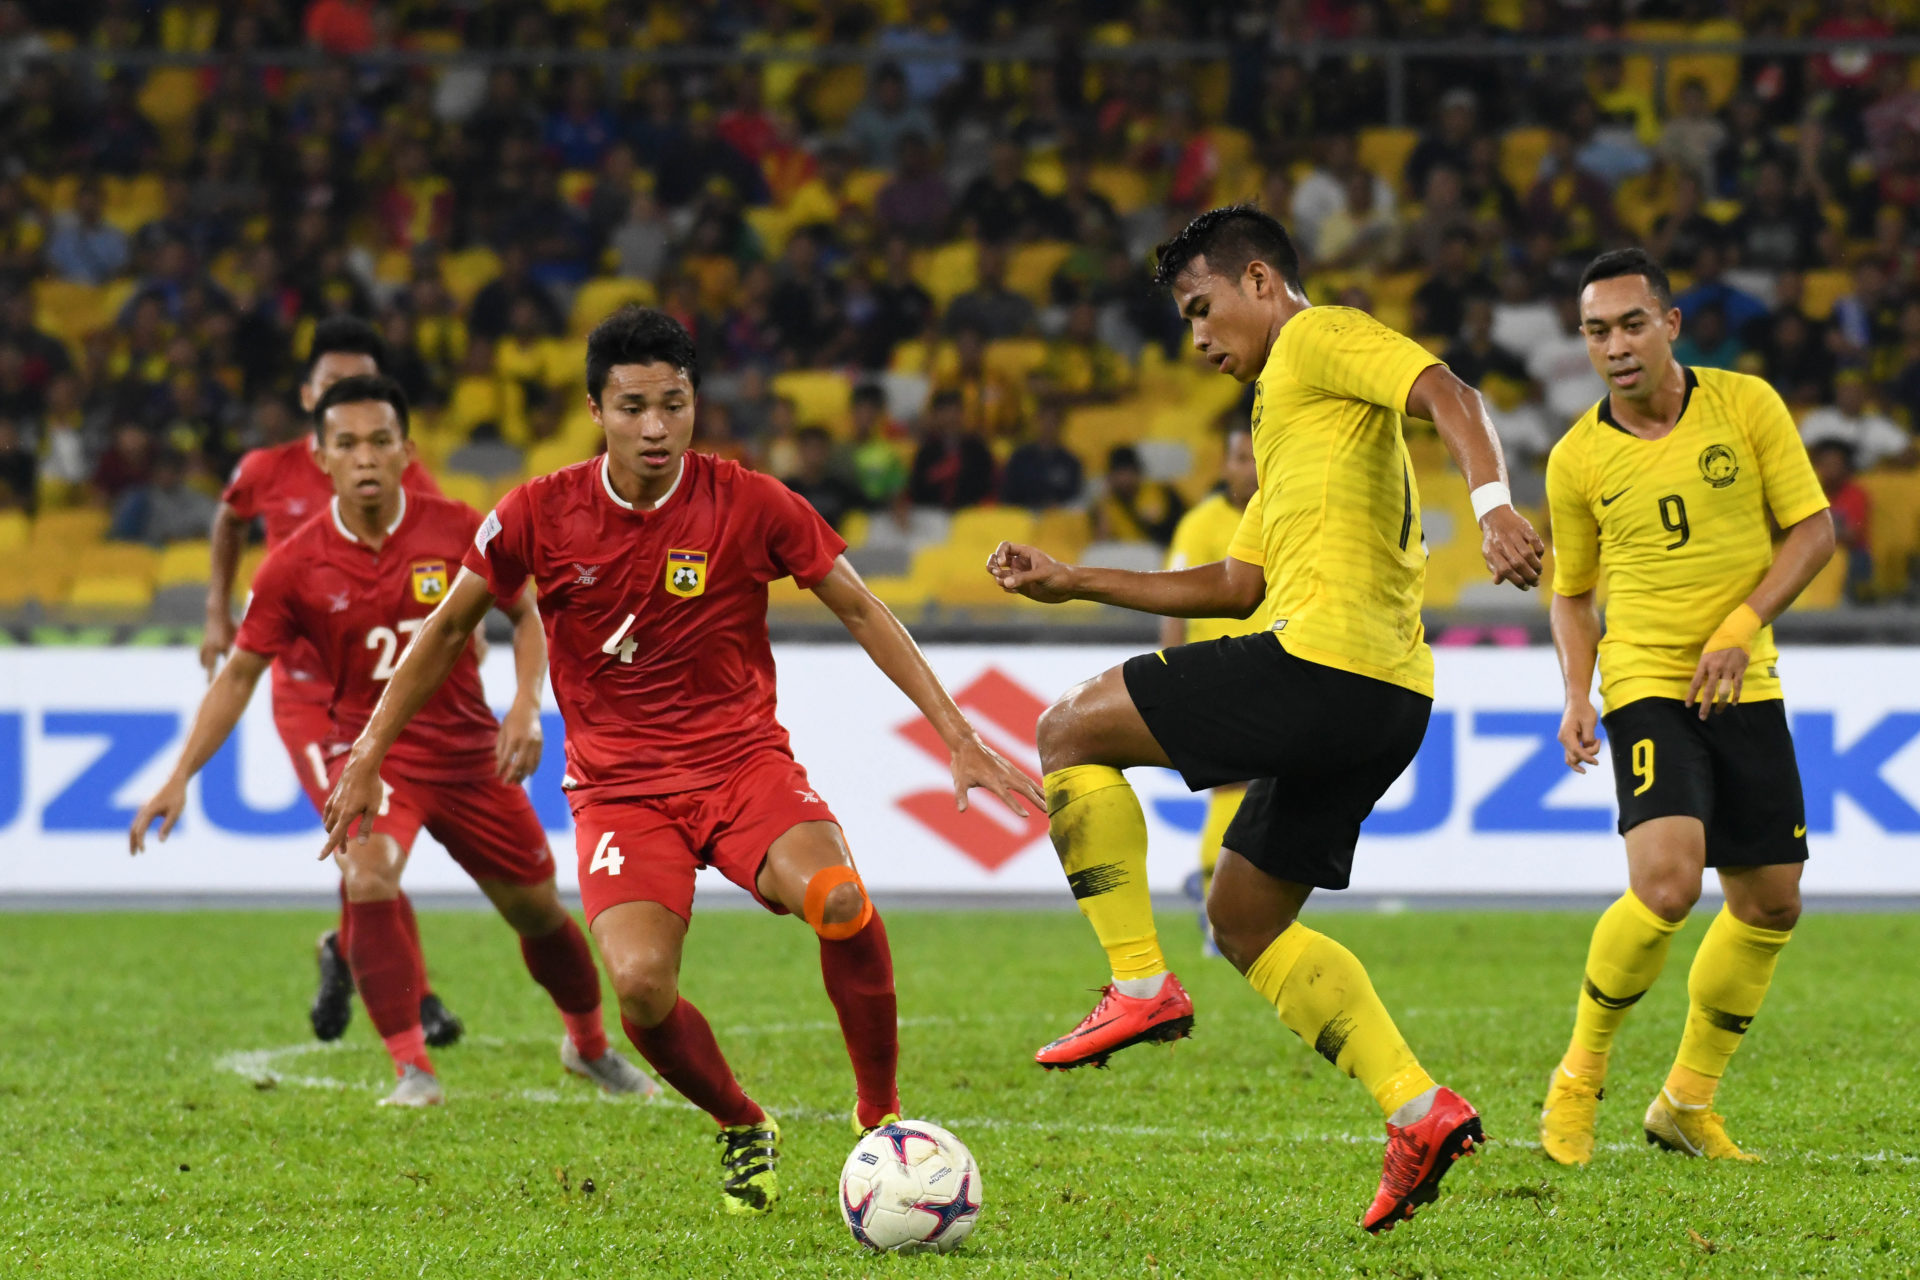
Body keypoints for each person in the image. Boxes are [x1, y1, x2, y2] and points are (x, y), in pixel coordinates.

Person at [321, 308, 1042, 1213]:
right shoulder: (537, 513)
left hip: (741, 765)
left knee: (840, 901)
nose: (656, 427)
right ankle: (742, 1120)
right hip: (619, 791)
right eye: (633, 407)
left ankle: (880, 1117)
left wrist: (957, 732)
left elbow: (861, 608)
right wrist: (369, 751)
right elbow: (446, 629)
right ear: (597, 411)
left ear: (696, 401)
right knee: (639, 986)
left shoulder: (751, 501)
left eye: (674, 403)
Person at [986, 206, 1543, 1232]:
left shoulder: (1318, 336)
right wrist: (1076, 579)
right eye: (1185, 321)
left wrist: (1493, 505)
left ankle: (1138, 981)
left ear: (1257, 280)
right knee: (1244, 919)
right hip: (1390, 696)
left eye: (1202, 308)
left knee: (1066, 730)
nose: (1198, 337)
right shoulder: (1291, 417)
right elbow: (1236, 584)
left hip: (1325, 665)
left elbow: (1450, 394)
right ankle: (1418, 1108)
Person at [132, 376, 656, 1108]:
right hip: (370, 756)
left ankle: (589, 1046)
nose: (365, 457)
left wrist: (524, 706)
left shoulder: (460, 528)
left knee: (537, 910)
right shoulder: (292, 565)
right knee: (368, 875)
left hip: (469, 752)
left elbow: (527, 614)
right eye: (347, 444)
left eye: (380, 440)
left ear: (407, 451)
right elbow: (240, 674)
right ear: (321, 459)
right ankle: (413, 1070)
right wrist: (179, 775)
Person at [1540, 248, 1835, 1167]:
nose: (1616, 347)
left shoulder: (1746, 405)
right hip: (1646, 681)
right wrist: (1577, 693)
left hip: (1744, 679)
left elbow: (1814, 531)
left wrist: (1742, 626)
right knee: (1667, 885)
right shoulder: (1576, 458)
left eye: (1632, 325)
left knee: (1771, 903)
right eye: (1597, 331)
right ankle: (1578, 1079)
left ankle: (1684, 1104)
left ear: (1670, 325)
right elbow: (1571, 596)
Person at [201, 317, 463, 1048]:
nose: (347, 395)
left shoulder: (404, 473)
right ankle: (420, 997)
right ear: (308, 397)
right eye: (334, 385)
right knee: (362, 839)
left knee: (365, 848)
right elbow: (228, 522)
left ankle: (346, 951)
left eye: (362, 385)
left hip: (377, 686)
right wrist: (217, 609)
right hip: (307, 691)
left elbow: (440, 551)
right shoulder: (267, 469)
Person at [1158, 424, 1260, 956]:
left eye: (1258, 456)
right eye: (1241, 457)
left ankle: (1221, 893)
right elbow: (1175, 600)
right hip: (1217, 670)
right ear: (1224, 466)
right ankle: (1212, 899)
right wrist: (1172, 675)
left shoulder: (1286, 515)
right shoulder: (1201, 524)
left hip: (1279, 667)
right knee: (1233, 785)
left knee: (1261, 791)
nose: (1250, 467)